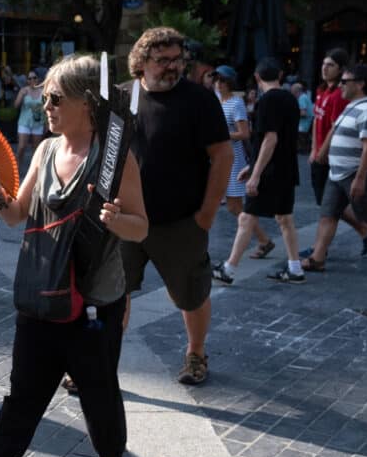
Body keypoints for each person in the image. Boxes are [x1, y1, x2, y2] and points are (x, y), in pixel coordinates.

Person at [0, 54, 147, 457]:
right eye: (44, 96)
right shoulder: (48, 151)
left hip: (94, 300)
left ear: (87, 103)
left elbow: (141, 228)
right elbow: (17, 214)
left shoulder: (116, 160)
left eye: (55, 97)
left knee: (97, 390)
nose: (45, 104)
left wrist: (118, 219)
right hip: (42, 290)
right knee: (24, 391)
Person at [122, 27, 232, 386]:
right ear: (141, 62)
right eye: (163, 60)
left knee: (191, 294)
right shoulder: (123, 97)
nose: (173, 67)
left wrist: (206, 214)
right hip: (126, 218)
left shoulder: (199, 99)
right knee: (113, 292)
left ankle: (196, 354)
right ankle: (102, 359)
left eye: (177, 59)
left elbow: (223, 156)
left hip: (181, 221)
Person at [301, 65, 367, 277]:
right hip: (337, 173)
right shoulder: (351, 106)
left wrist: (360, 179)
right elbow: (335, 132)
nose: (340, 85)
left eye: (345, 81)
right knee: (328, 214)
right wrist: (323, 154)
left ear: (360, 84)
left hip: (355, 175)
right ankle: (318, 258)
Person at [212, 58, 306, 286]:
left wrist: (256, 174)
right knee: (285, 218)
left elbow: (270, 139)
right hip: (286, 168)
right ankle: (295, 268)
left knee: (246, 216)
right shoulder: (291, 100)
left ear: (256, 77)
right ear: (280, 75)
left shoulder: (267, 101)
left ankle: (229, 268)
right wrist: (251, 166)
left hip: (270, 170)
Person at [307, 49, 367, 257]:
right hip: (319, 153)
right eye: (323, 64)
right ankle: (362, 230)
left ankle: (321, 249)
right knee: (326, 204)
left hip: (333, 156)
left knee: (331, 205)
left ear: (340, 69)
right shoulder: (321, 91)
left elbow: (334, 127)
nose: (324, 68)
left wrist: (323, 151)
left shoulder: (339, 96)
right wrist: (313, 148)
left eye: (330, 65)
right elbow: (317, 122)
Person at [212, 65, 274, 258]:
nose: (218, 84)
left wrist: (222, 134)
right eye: (216, 79)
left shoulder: (236, 103)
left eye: (222, 80)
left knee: (235, 206)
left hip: (234, 158)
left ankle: (264, 240)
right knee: (231, 205)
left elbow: (244, 133)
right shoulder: (218, 101)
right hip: (219, 158)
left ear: (230, 82)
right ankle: (264, 240)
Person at [14, 70, 45, 168]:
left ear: (38, 79)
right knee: (21, 147)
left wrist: (47, 123)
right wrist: (21, 95)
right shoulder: (24, 90)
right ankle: (17, 167)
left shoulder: (43, 91)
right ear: (27, 81)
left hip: (38, 122)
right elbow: (16, 106)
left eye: (34, 77)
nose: (32, 80)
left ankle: (34, 170)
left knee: (36, 149)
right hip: (24, 122)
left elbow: (46, 108)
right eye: (30, 78)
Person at [291, 82, 313, 153]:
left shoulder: (301, 98)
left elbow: (303, 113)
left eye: (292, 92)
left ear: (296, 91)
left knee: (301, 140)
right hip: (307, 123)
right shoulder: (305, 96)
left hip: (304, 124)